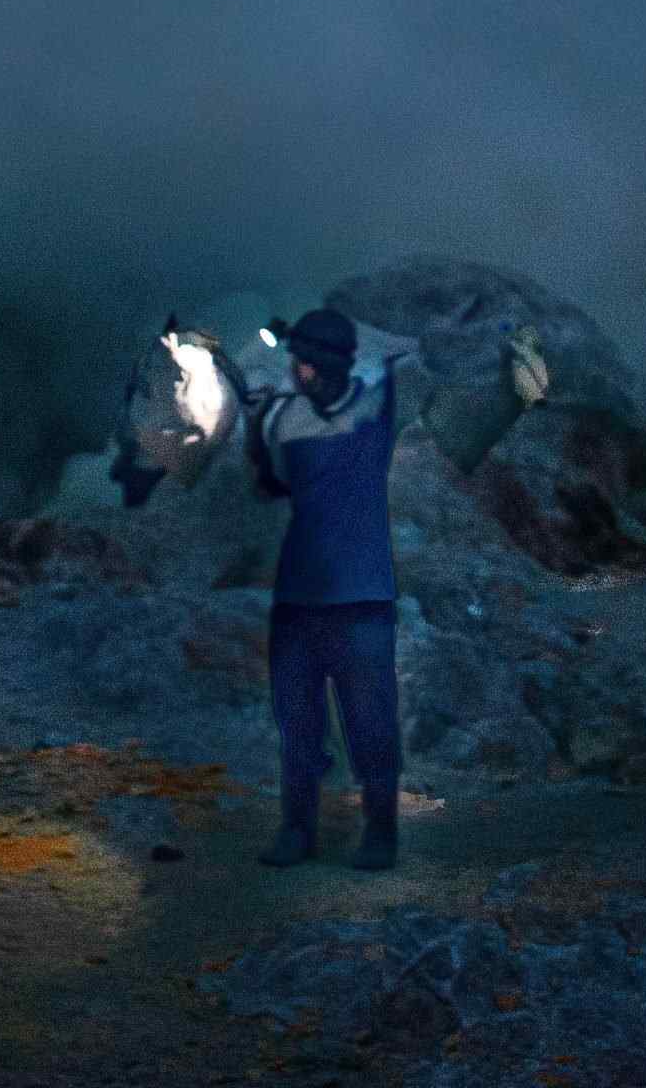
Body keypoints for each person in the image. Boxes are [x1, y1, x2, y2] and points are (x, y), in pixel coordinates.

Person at [245, 306, 405, 872]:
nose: (297, 371)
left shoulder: (372, 407)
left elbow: (388, 361)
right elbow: (267, 485)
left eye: (306, 363)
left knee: (371, 721)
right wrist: (256, 423)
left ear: (328, 366)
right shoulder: (285, 417)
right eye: (297, 361)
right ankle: (297, 830)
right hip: (300, 596)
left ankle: (380, 830)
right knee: (298, 722)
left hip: (360, 596)